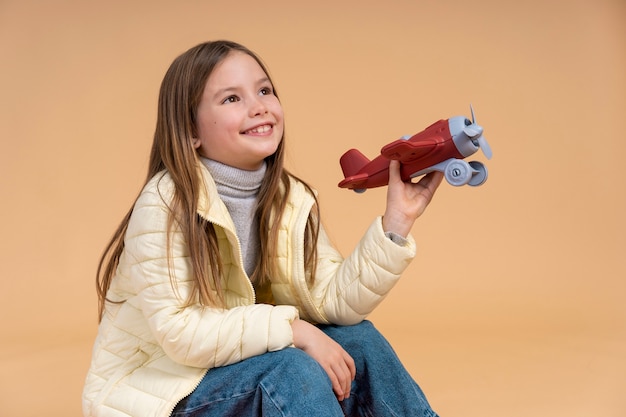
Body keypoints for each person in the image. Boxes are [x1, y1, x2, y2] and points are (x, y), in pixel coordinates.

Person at [82, 40, 443, 417]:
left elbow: (331, 302)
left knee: (360, 341)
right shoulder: (165, 203)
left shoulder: (288, 197)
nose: (259, 107)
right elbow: (181, 335)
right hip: (161, 390)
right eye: (231, 99)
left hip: (234, 366)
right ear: (191, 131)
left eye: (264, 90)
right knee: (290, 370)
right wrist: (295, 331)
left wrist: (396, 223)